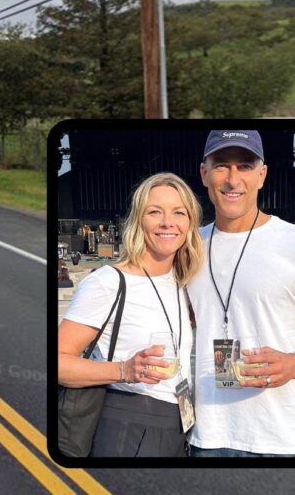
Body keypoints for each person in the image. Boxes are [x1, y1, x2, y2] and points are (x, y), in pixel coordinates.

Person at [58, 172, 203, 457]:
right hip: (130, 423)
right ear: (138, 220)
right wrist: (123, 370)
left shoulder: (182, 283)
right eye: (154, 212)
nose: (167, 222)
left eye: (179, 212)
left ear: (190, 223)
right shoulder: (109, 282)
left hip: (179, 425)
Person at [187, 130, 295, 457]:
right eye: (221, 165)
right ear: (204, 173)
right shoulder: (187, 246)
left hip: (280, 437)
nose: (233, 179)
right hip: (205, 434)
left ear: (261, 175)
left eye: (245, 166)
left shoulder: (290, 242)